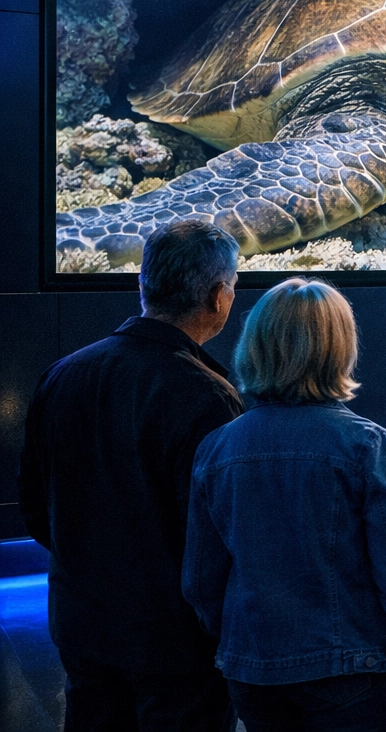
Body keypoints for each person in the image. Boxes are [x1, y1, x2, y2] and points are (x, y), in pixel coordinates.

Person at [182, 278, 386, 732]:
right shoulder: (367, 444)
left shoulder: (216, 447)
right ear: (339, 346)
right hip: (351, 666)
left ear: (255, 345)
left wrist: (235, 644)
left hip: (253, 668)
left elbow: (202, 578)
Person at [18, 219, 244, 732]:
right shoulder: (205, 395)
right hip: (175, 641)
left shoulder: (64, 373)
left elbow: (34, 503)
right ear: (218, 297)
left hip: (82, 624)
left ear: (141, 284)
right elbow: (217, 534)